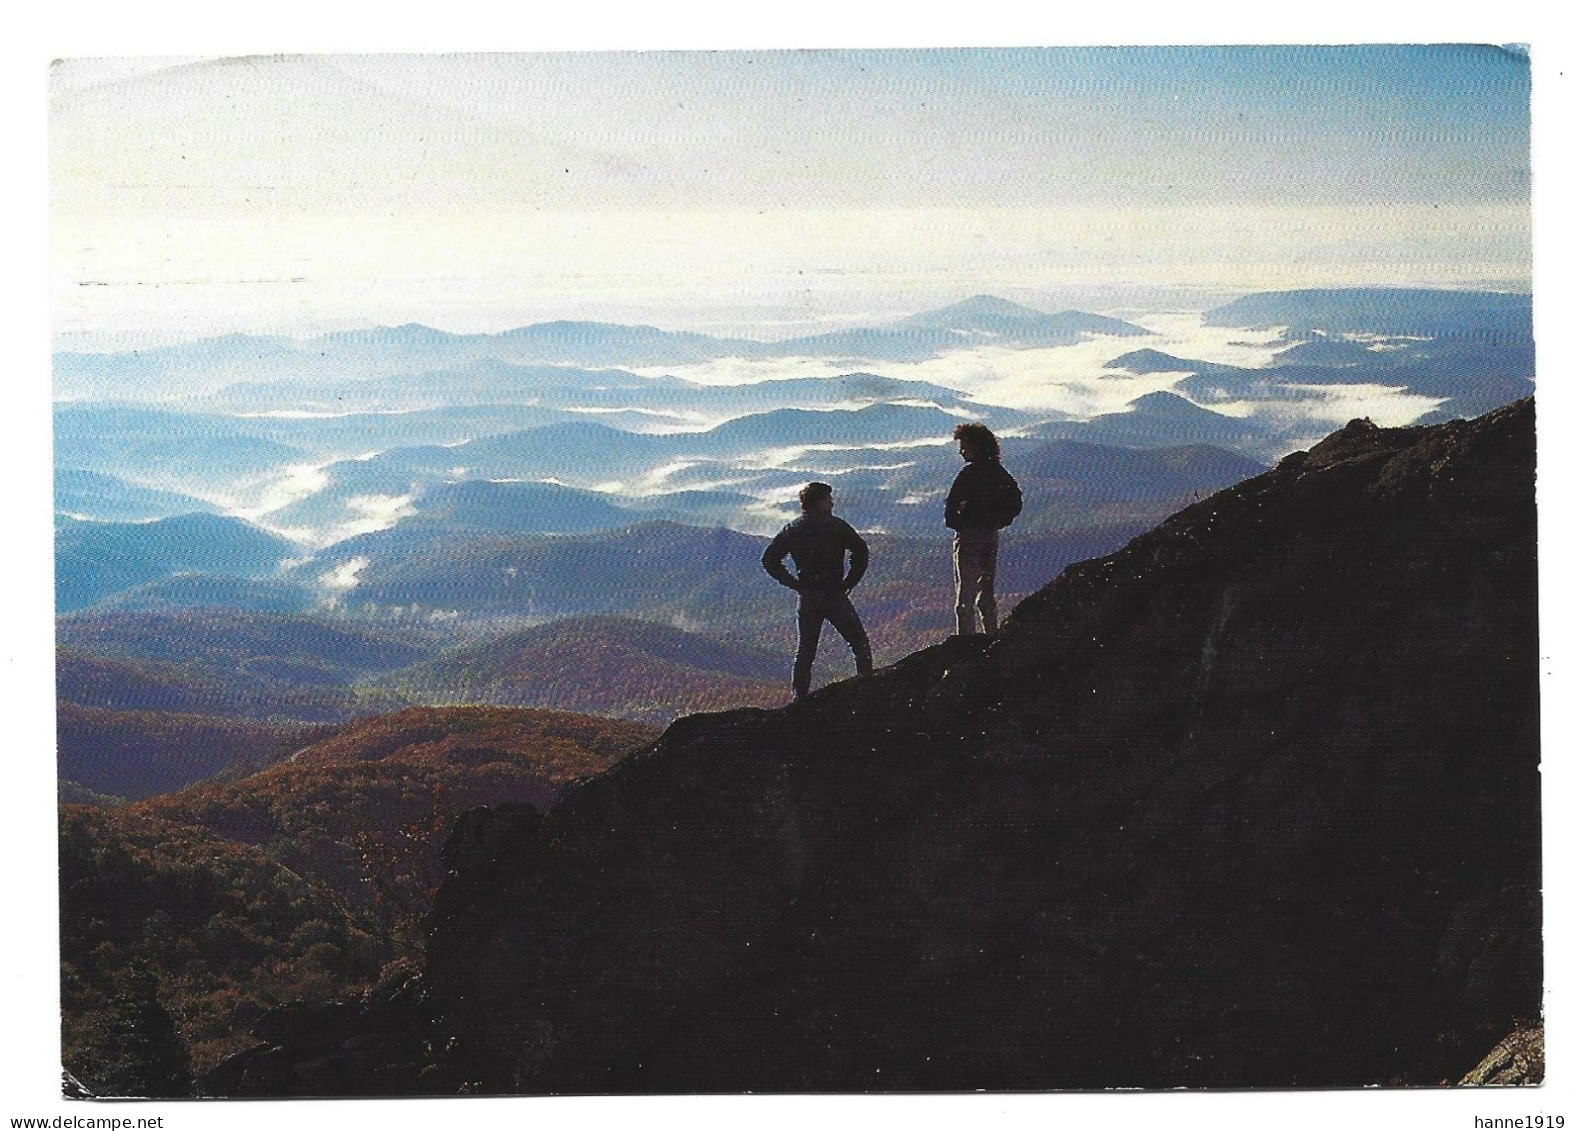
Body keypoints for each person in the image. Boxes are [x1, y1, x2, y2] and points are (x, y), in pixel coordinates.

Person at [762, 481, 874, 700]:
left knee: (805, 651)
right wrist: (850, 581)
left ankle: (798, 699)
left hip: (808, 597)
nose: (832, 503)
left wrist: (793, 583)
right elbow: (861, 552)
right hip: (834, 594)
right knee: (859, 643)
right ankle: (866, 690)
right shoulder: (837, 526)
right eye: (828, 499)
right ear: (820, 502)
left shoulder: (792, 529)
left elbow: (769, 560)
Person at [944, 422, 1021, 636]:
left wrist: (959, 525)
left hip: (969, 538)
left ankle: (965, 644)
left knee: (964, 598)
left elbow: (951, 505)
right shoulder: (998, 472)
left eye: (965, 446)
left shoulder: (968, 474)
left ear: (976, 446)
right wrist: (998, 522)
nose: (961, 451)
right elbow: (1016, 502)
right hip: (990, 536)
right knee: (985, 593)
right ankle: (991, 638)